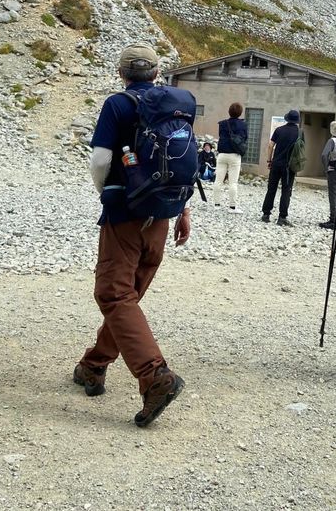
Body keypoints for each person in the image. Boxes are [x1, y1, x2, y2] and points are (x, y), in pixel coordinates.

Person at [75, 44, 189, 427]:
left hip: (125, 213)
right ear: (156, 72)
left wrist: (107, 194)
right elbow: (178, 162)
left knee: (113, 293)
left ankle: (155, 375)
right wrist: (184, 210)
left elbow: (101, 160)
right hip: (163, 214)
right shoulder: (176, 105)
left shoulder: (118, 104)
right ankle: (93, 366)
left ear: (122, 72)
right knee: (129, 295)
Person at [261, 109, 301, 227]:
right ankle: (282, 217)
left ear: (287, 118)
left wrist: (269, 160)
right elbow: (300, 150)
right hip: (289, 166)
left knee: (271, 188)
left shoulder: (279, 130)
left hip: (276, 163)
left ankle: (266, 214)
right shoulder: (299, 133)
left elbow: (270, 145)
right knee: (286, 190)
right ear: (297, 120)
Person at [213, 102, 248, 213]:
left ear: (229, 111)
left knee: (218, 180)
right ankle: (232, 207)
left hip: (222, 154)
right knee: (233, 182)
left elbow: (220, 136)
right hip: (235, 155)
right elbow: (245, 138)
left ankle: (216, 205)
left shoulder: (222, 124)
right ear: (240, 112)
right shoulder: (243, 125)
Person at [319, 120, 336, 230]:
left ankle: (333, 220)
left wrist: (327, 168)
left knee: (333, 195)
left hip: (334, 170)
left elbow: (324, 155)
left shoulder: (333, 141)